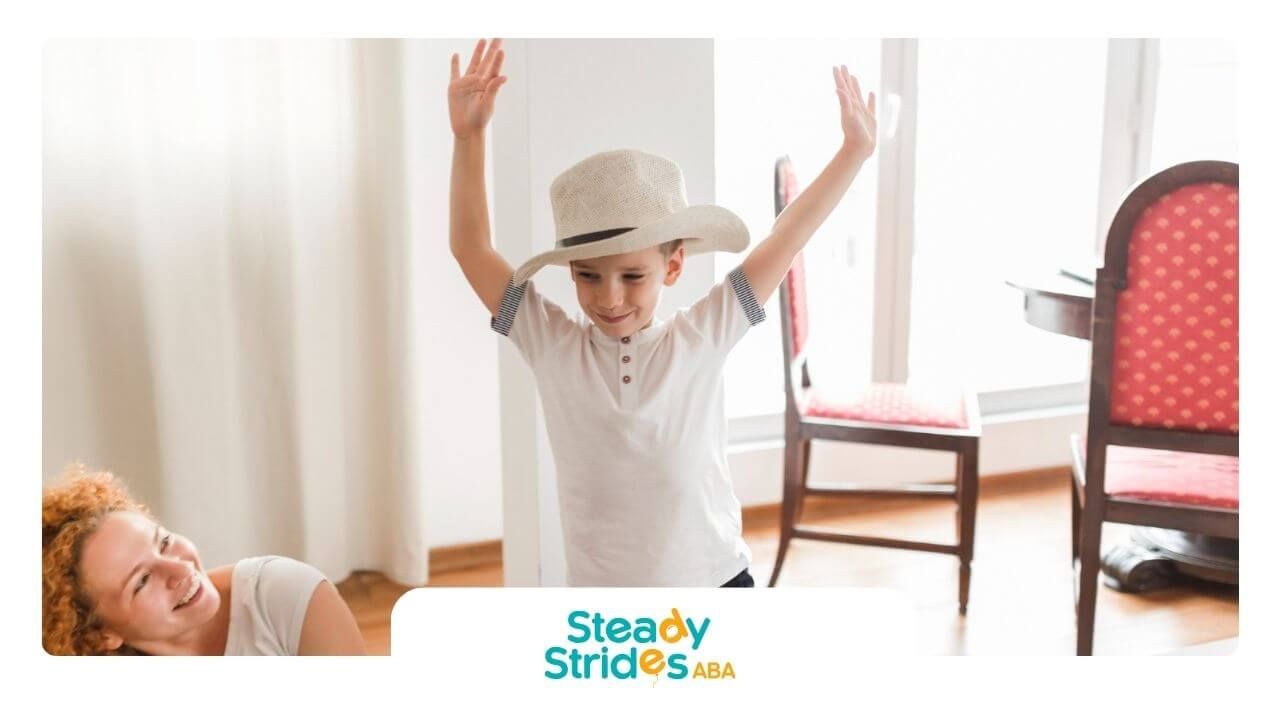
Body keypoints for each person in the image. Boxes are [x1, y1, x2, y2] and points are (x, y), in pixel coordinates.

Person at [448, 38, 877, 587]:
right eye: (588, 276)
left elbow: (787, 239)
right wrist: (470, 137)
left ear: (672, 267)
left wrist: (853, 152)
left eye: (632, 276)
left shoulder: (704, 333)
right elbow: (471, 248)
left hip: (715, 582)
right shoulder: (549, 341)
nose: (609, 298)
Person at [42, 465, 367, 655]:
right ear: (101, 635)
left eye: (164, 542)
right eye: (141, 581)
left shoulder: (284, 596)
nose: (180, 569)